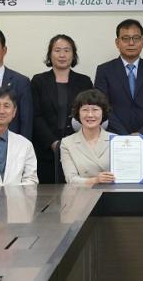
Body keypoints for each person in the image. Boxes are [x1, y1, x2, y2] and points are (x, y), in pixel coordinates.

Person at [31, 35, 93, 184]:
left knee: (77, 193)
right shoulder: (38, 81)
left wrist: (72, 143)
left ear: (73, 54)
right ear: (50, 54)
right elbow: (36, 115)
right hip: (46, 150)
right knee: (47, 194)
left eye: (67, 50)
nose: (62, 55)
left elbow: (89, 114)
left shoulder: (84, 81)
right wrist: (52, 142)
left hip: (78, 149)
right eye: (57, 50)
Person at [94, 19, 143, 135]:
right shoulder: (104, 71)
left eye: (136, 38)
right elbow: (102, 106)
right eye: (125, 38)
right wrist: (125, 136)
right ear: (117, 42)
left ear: (142, 42)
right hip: (115, 136)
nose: (131, 43)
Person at [59, 89, 116, 185]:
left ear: (103, 113)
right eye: (85, 110)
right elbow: (71, 179)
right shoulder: (67, 143)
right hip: (82, 192)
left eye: (95, 110)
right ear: (78, 113)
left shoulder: (116, 140)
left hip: (112, 191)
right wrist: (95, 180)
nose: (90, 115)